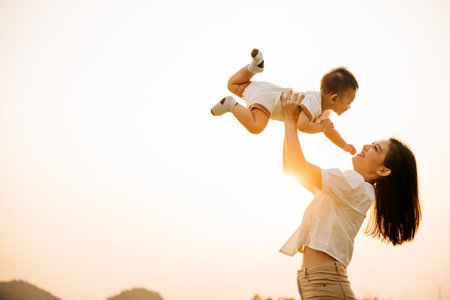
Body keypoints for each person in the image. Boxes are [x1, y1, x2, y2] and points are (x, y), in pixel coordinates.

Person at [279, 91, 421, 299]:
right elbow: (290, 169)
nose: (366, 146)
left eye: (376, 148)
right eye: (372, 142)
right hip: (317, 282)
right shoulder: (348, 189)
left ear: (383, 170)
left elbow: (296, 165)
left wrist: (290, 121)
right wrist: (288, 122)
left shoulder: (356, 186)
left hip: (326, 283)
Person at [210, 49, 358, 155]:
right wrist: (321, 127)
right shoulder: (314, 103)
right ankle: (231, 104)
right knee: (256, 126)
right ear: (334, 98)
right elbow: (302, 125)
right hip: (270, 101)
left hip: (266, 90)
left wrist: (343, 144)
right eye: (349, 102)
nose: (349, 106)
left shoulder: (323, 111)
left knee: (233, 85)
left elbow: (330, 130)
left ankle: (254, 67)